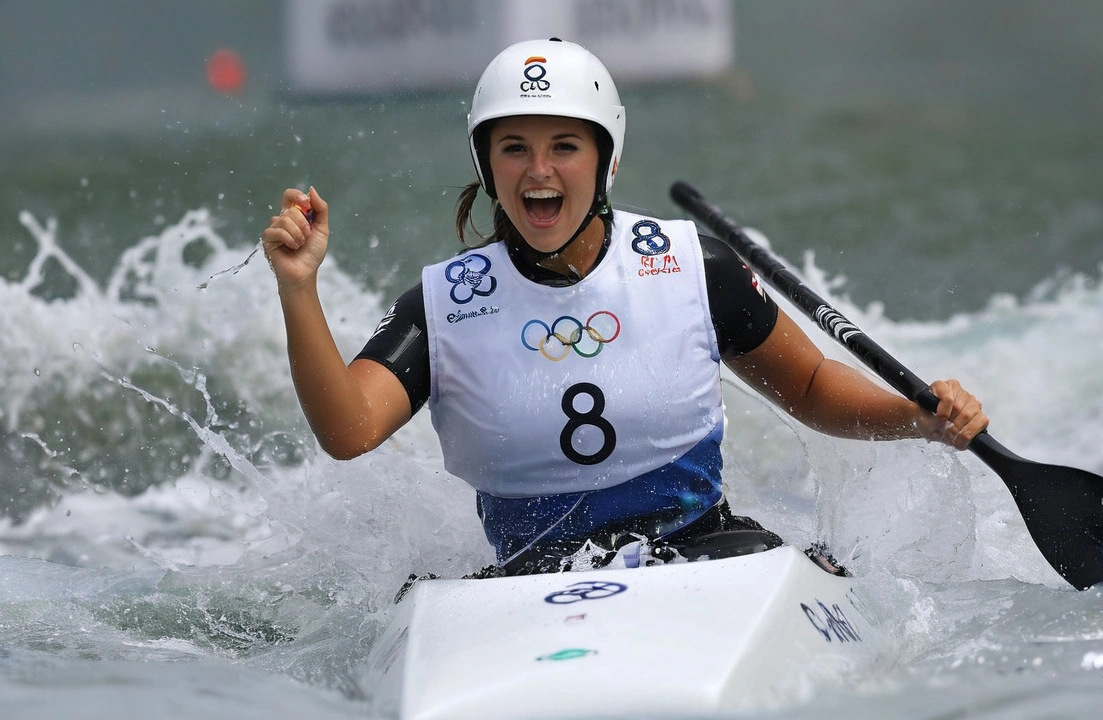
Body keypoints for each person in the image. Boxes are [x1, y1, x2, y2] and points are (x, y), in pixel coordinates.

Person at [261, 38, 988, 576]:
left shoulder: (693, 267)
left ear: (604, 161)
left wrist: (918, 418)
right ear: (488, 167)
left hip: (705, 548)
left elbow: (808, 387)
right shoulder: (446, 303)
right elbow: (349, 429)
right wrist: (299, 287)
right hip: (528, 575)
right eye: (513, 148)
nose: (539, 170)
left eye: (565, 146)